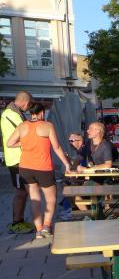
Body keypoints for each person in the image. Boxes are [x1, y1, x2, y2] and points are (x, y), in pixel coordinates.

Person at [6, 103, 72, 238]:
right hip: (43, 168)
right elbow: (57, 147)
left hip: (25, 168)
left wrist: (25, 142)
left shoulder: (22, 126)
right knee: (51, 199)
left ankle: (38, 230)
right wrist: (66, 164)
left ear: (31, 113)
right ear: (41, 113)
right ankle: (46, 227)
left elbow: (9, 143)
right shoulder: (48, 126)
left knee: (35, 200)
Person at [1, 91, 35, 234]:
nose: (29, 108)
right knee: (21, 192)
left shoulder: (13, 113)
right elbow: (27, 133)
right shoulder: (12, 114)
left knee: (23, 192)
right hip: (16, 160)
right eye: (30, 105)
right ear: (26, 102)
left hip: (18, 159)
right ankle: (16, 223)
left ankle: (19, 220)